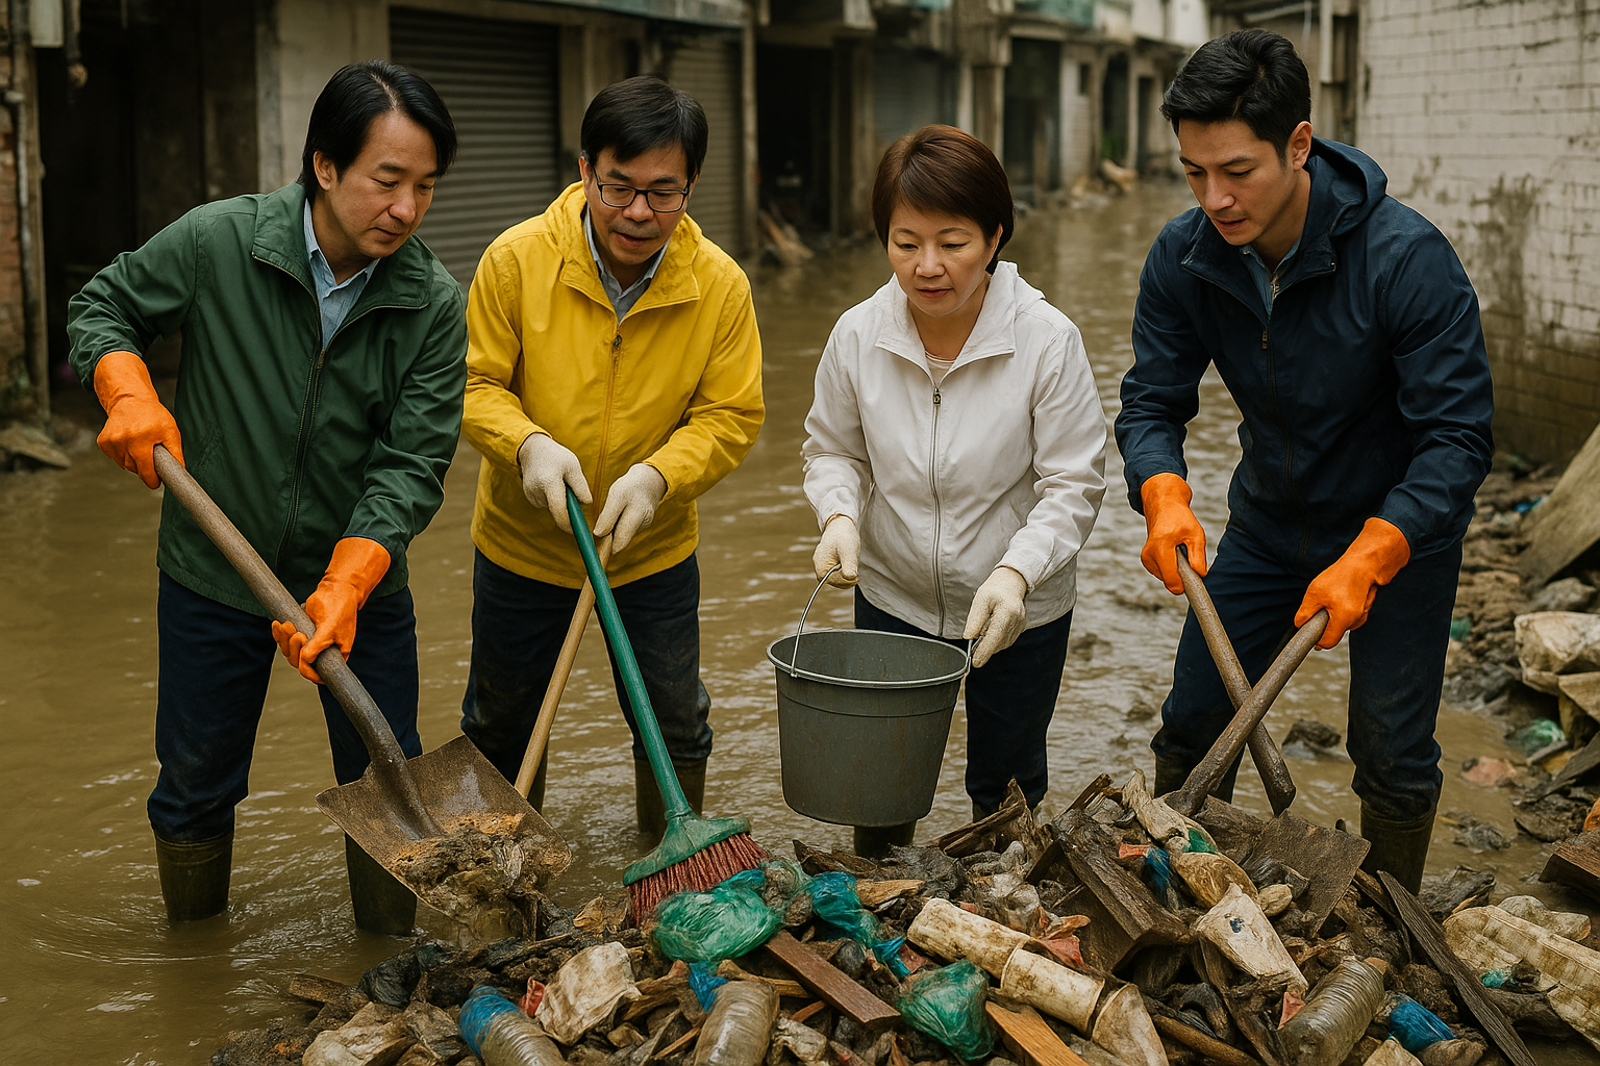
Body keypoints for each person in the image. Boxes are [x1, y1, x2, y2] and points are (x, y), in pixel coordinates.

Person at [67, 61, 466, 932]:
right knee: (195, 785)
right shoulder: (220, 241)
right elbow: (103, 305)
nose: (406, 209)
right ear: (325, 166)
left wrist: (352, 577)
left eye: (425, 187)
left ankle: (387, 966)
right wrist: (127, 388)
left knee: (387, 786)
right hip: (214, 575)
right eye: (387, 181)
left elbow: (414, 459)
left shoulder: (432, 302)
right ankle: (194, 955)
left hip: (358, 591)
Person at [1116, 29, 1494, 892]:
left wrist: (1372, 553)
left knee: (1391, 751)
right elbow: (1152, 399)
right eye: (1192, 172)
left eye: (1236, 171)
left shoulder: (1407, 260)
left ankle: (1392, 926)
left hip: (1399, 531)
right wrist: (1162, 492)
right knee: (1193, 722)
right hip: (1267, 526)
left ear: (1299, 144)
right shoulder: (1185, 256)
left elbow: (1458, 438)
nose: (1214, 198)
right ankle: (1168, 897)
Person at [458, 75, 763, 839]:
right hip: (523, 545)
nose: (637, 213)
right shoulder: (515, 261)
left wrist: (662, 476)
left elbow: (731, 415)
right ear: (585, 168)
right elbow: (473, 384)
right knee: (499, 729)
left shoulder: (719, 287)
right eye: (617, 186)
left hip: (648, 550)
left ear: (692, 186)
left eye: (664, 193)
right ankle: (509, 880)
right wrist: (525, 445)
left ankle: (671, 863)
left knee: (676, 724)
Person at [802, 125, 1108, 855]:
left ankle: (1003, 912)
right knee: (879, 782)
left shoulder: (1047, 340)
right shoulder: (857, 335)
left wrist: (1016, 571)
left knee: (1006, 787)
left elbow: (1074, 482)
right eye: (906, 243)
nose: (928, 266)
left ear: (996, 234)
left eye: (953, 242)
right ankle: (881, 903)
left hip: (1016, 607)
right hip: (892, 595)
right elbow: (832, 448)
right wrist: (839, 514)